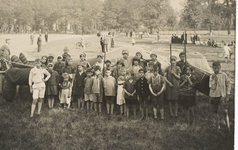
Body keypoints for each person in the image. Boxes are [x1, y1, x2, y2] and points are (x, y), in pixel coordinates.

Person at [209, 61, 231, 131]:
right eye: (215, 68)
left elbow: (228, 84)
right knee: (215, 112)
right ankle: (217, 126)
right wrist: (214, 80)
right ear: (212, 68)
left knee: (225, 111)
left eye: (218, 68)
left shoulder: (224, 75)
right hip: (214, 96)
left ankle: (228, 127)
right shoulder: (211, 76)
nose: (216, 69)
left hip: (222, 96)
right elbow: (211, 87)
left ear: (220, 67)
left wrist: (227, 95)